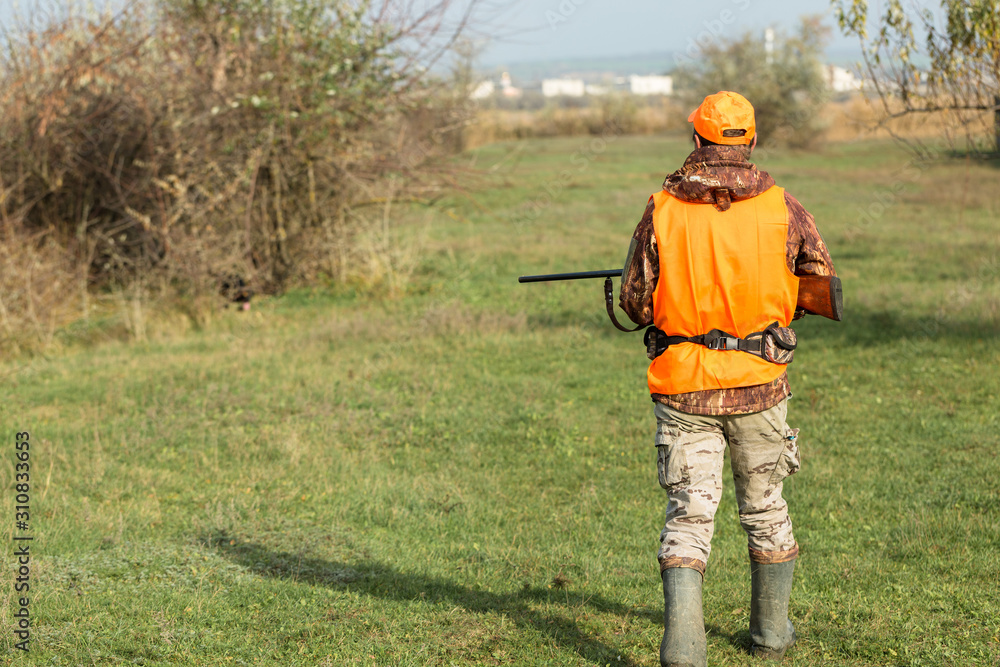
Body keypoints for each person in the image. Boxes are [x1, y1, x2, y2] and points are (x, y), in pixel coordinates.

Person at [618, 91, 837, 666]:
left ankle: (685, 652)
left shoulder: (661, 208)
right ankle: (771, 636)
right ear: (751, 140)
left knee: (690, 514)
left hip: (683, 385)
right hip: (760, 386)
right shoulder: (784, 207)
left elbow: (637, 302)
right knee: (766, 506)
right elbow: (820, 278)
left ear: (697, 141)